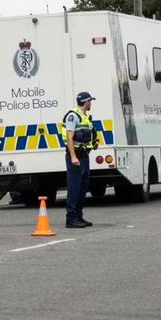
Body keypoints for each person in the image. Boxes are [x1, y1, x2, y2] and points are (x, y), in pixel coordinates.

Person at [61, 91, 98, 228]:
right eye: (90, 101)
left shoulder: (84, 116)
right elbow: (69, 138)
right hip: (75, 156)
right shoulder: (73, 116)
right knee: (74, 187)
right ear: (86, 102)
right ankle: (71, 219)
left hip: (84, 155)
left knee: (83, 187)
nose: (91, 104)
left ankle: (78, 216)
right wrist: (73, 157)